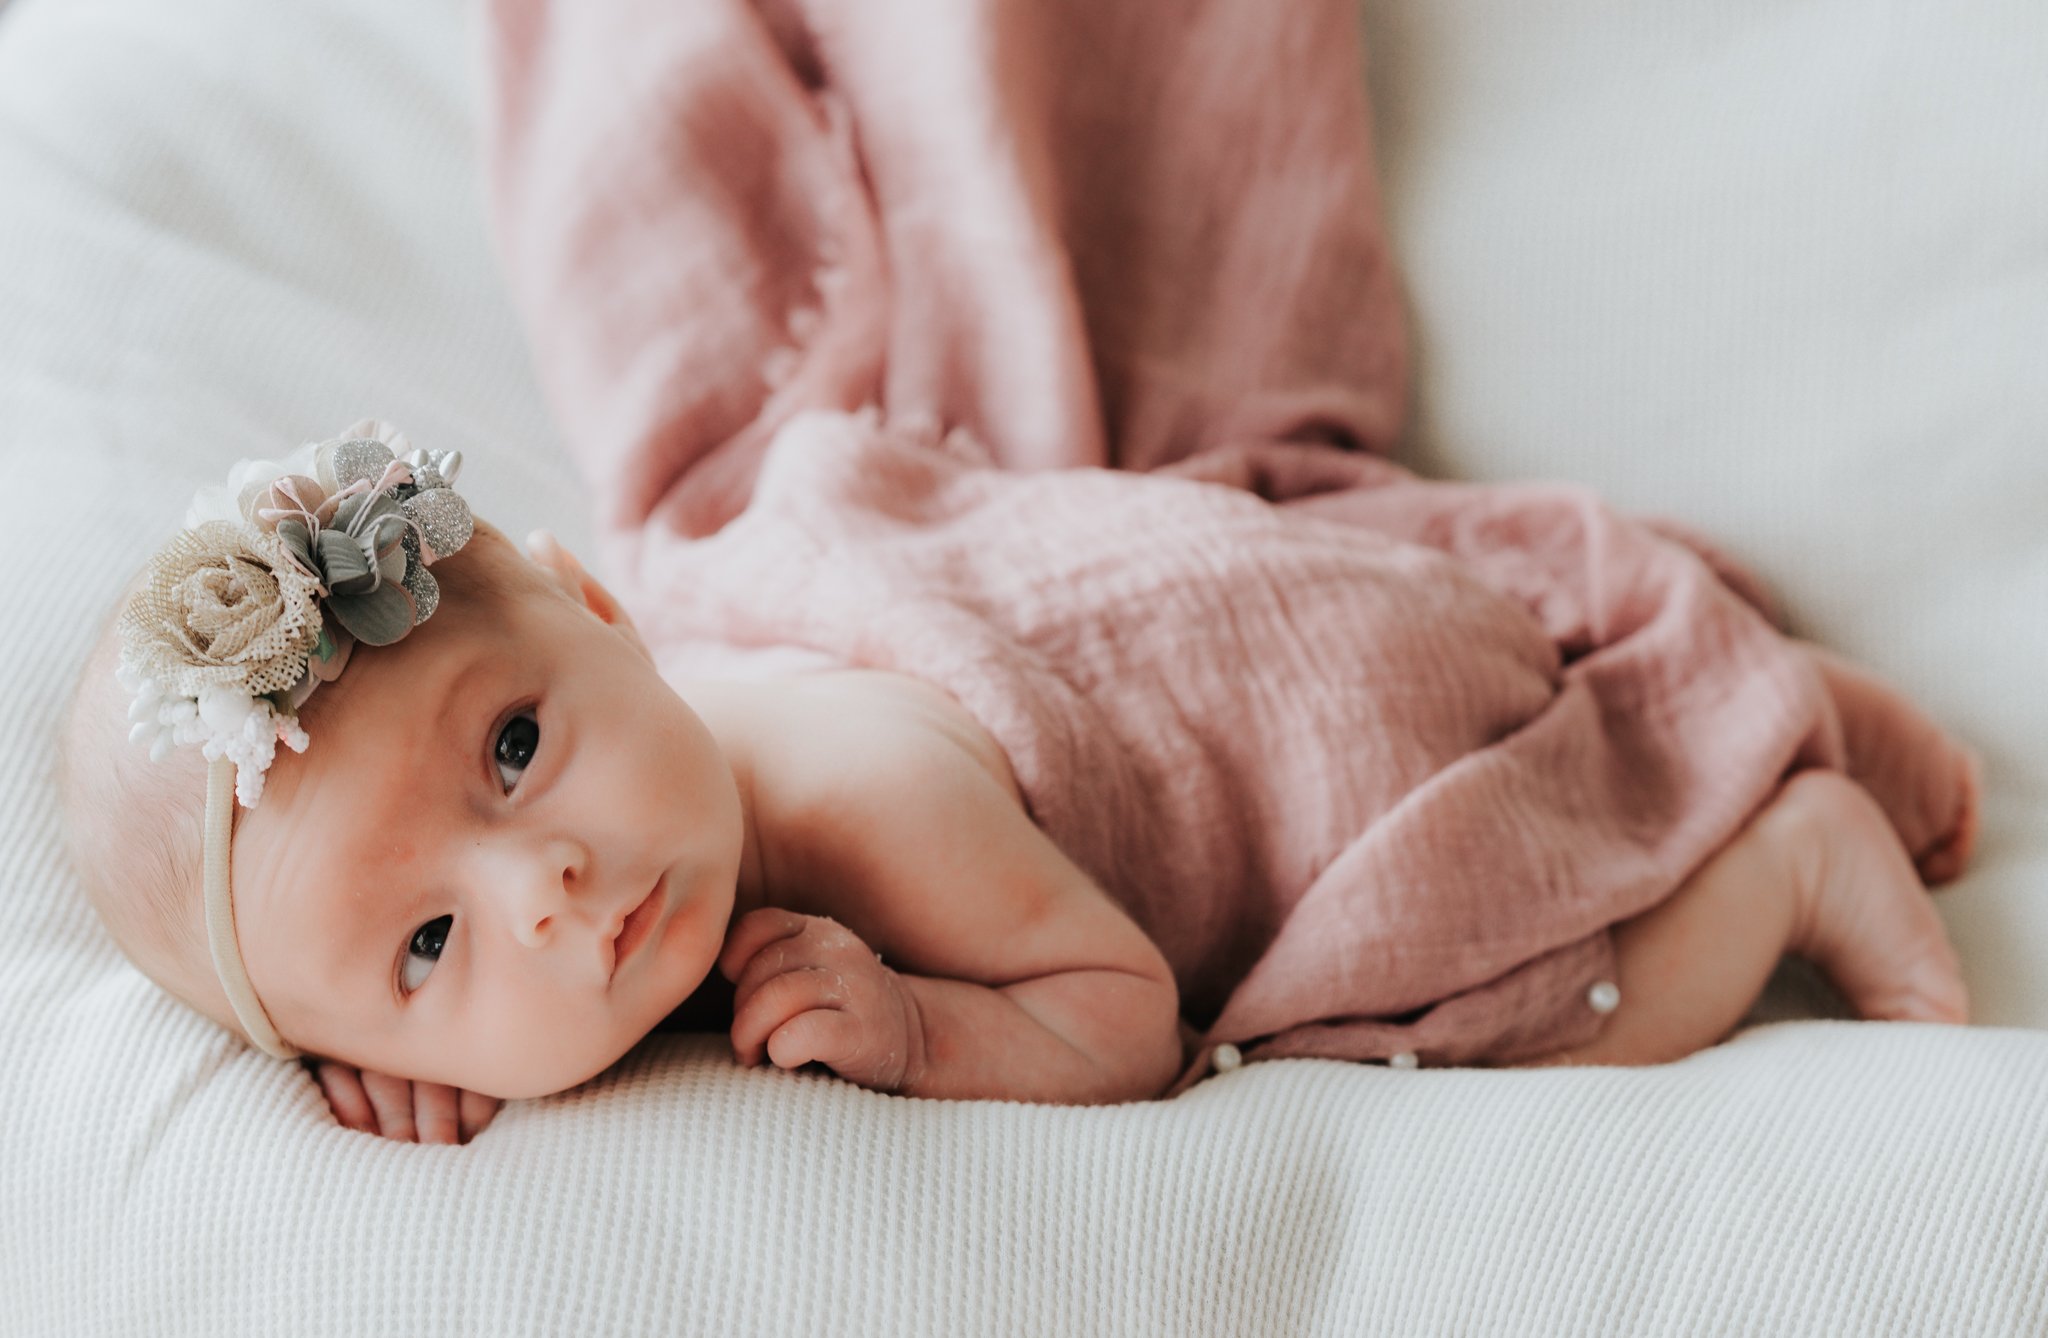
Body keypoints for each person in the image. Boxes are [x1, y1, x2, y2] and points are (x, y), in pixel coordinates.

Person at [59, 418, 1977, 1146]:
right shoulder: (589, 863)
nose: (545, 888)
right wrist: (408, 1038)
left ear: (600, 606)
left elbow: (1128, 1012)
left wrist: (916, 1031)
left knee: (1510, 1020)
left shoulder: (869, 804)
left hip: (1303, 737)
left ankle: (1784, 851)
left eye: (512, 747)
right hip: (1082, 639)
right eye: (423, 943)